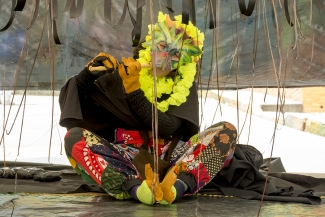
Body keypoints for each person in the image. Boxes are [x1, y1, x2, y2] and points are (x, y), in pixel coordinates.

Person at [59, 12, 237, 205]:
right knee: (74, 138)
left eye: (175, 54)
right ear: (148, 46)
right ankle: (136, 190)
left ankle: (174, 188)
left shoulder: (183, 87)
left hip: (174, 161)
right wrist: (88, 75)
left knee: (226, 131)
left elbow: (168, 126)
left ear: (182, 63)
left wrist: (134, 92)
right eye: (161, 47)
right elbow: (81, 105)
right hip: (126, 160)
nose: (165, 57)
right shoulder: (123, 74)